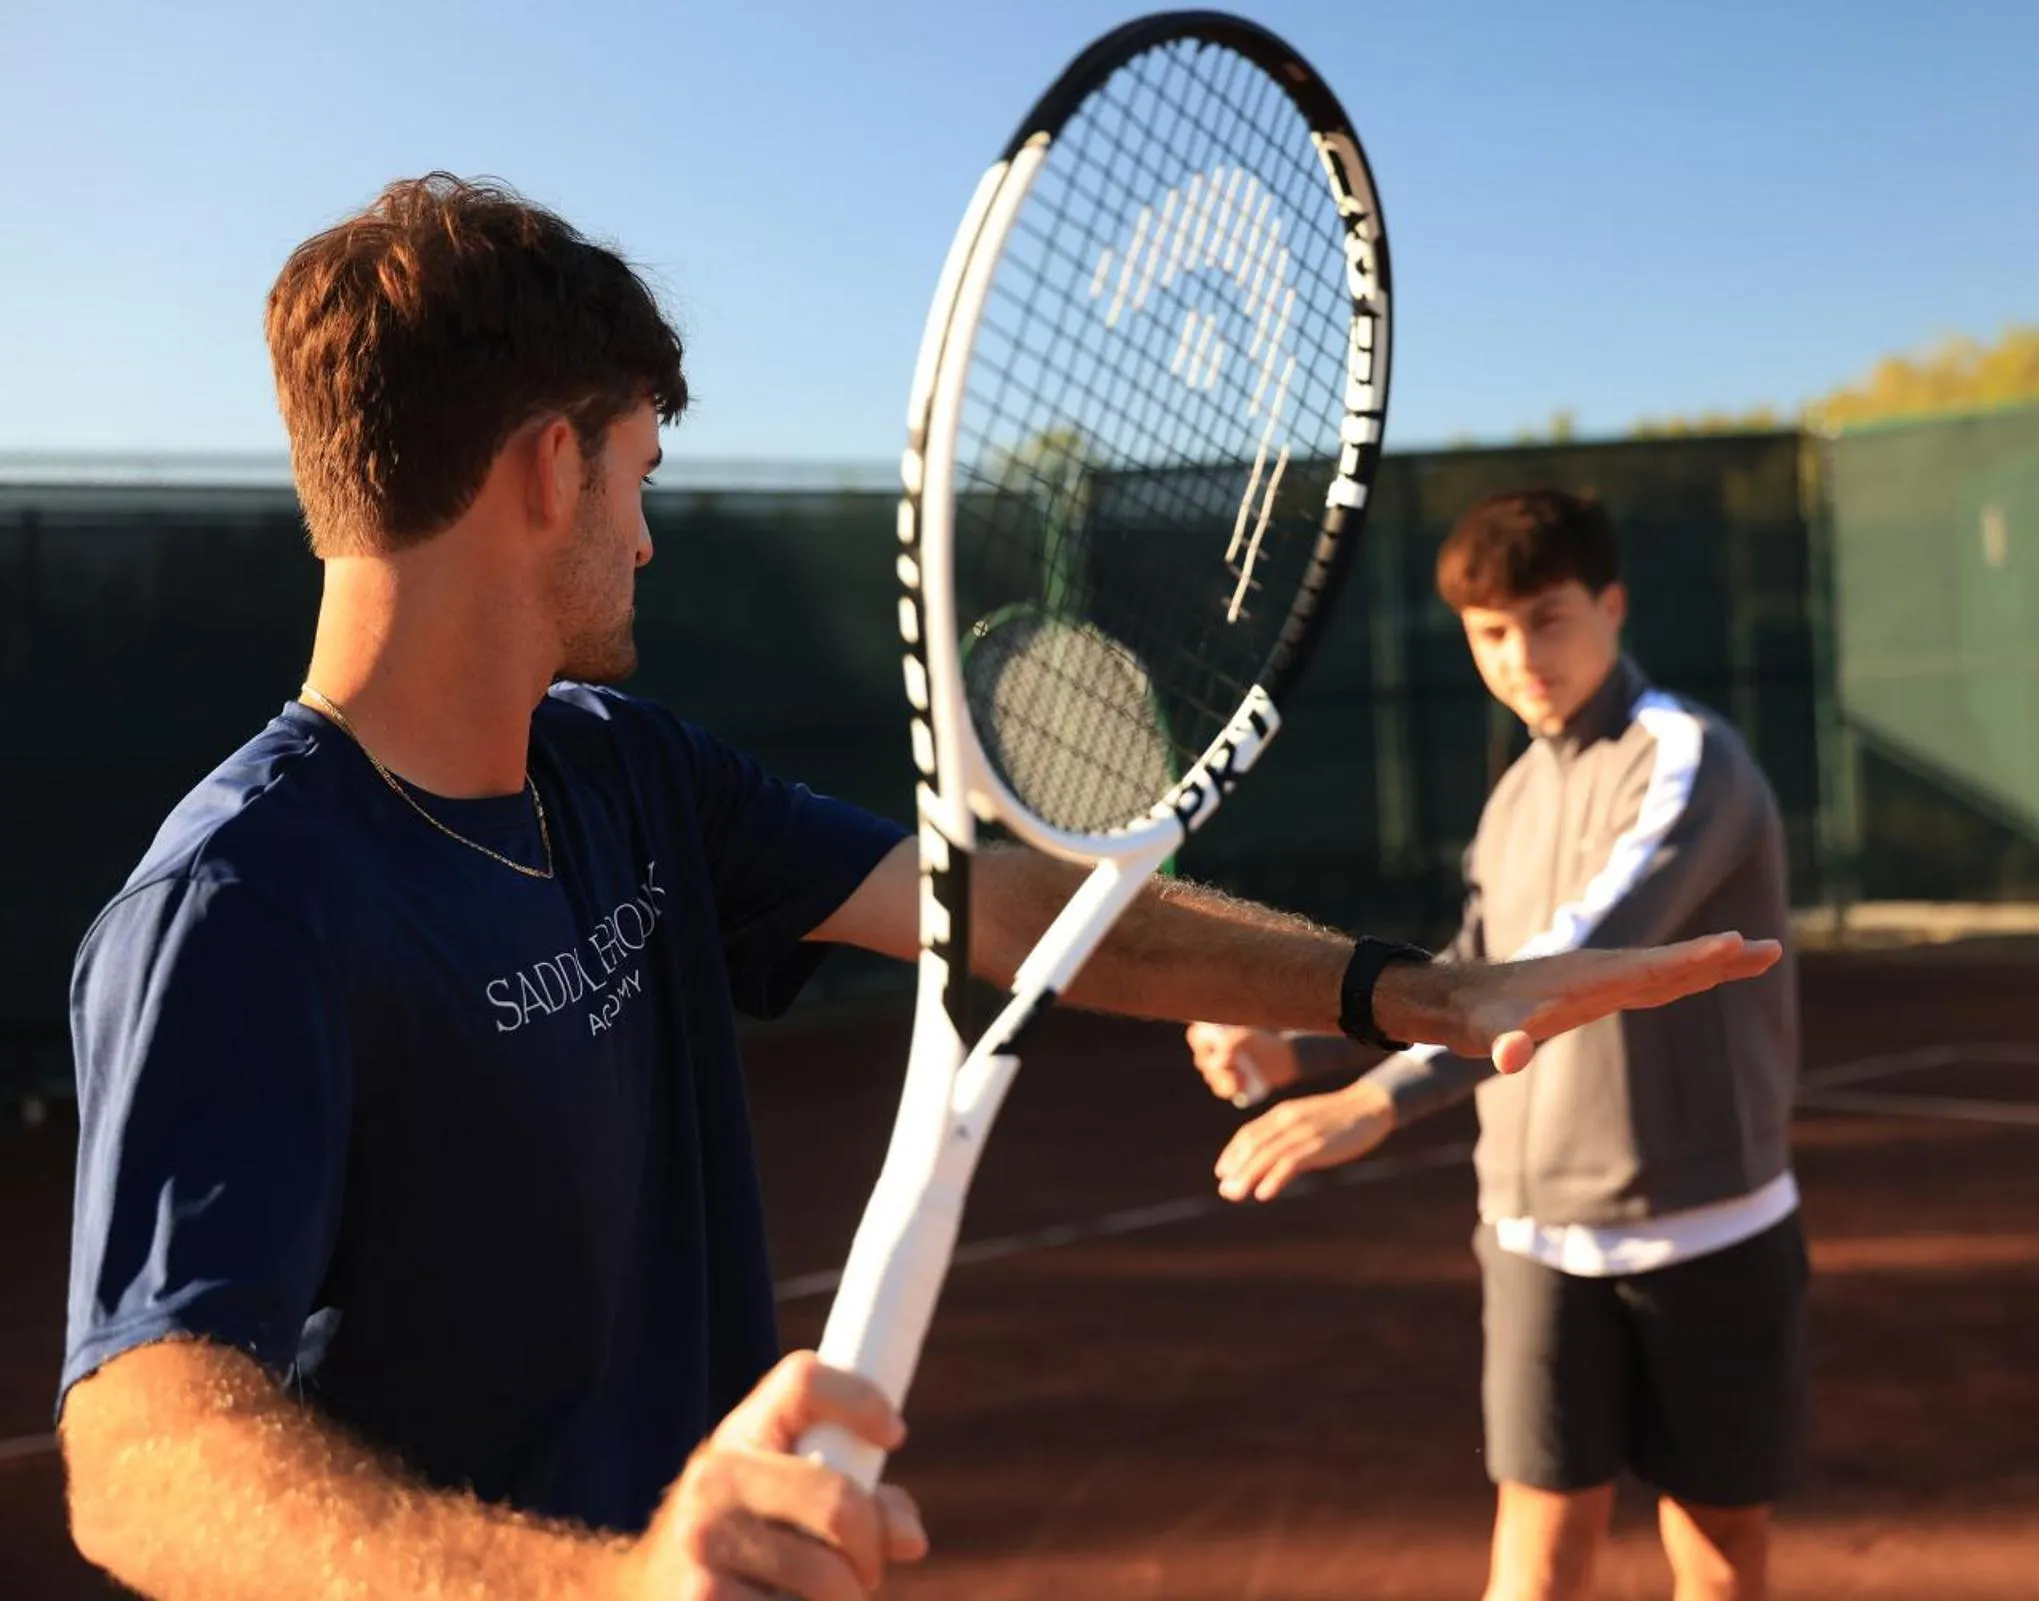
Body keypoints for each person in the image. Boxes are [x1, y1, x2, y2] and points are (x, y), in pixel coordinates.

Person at [56, 177, 1780, 1601]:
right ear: (545, 468)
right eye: (638, 472)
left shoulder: (621, 770)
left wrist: (1406, 991)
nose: (644, 536)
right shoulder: (242, 902)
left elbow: (1001, 913)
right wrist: (605, 1588)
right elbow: (138, 1457)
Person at [1188, 488, 1805, 1601]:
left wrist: (1374, 1101)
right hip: (1528, 1230)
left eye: (1548, 617)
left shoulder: (1687, 760)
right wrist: (1300, 1038)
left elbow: (1558, 971)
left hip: (1705, 1229)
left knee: (1715, 1560)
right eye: (1489, 632)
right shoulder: (1514, 791)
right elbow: (1468, 960)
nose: (1522, 655)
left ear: (1610, 606)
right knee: (1532, 1558)